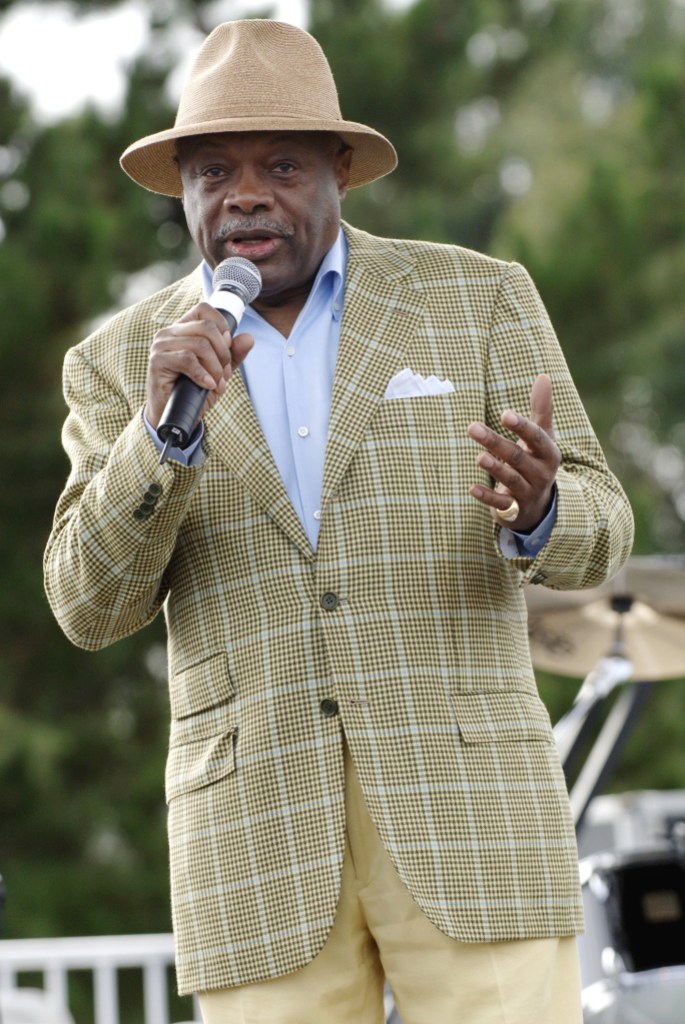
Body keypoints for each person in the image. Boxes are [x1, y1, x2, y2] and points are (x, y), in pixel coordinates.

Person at [44, 18, 634, 1024]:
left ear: (342, 171)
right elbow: (87, 607)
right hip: (255, 844)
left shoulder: (476, 298)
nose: (244, 195)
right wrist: (160, 439)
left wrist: (541, 505)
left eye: (280, 163)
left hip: (474, 823)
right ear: (182, 189)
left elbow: (604, 525)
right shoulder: (121, 360)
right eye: (214, 170)